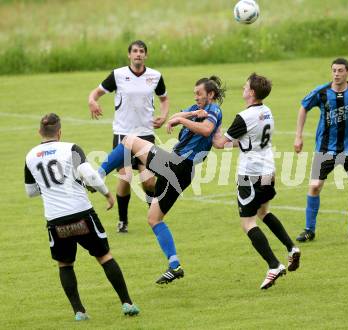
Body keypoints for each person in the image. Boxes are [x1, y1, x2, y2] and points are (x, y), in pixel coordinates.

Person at [98, 76, 225, 284]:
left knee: (129, 140)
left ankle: (99, 174)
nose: (196, 97)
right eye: (195, 93)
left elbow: (206, 130)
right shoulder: (198, 108)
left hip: (179, 163)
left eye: (199, 94)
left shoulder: (214, 110)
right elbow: (177, 117)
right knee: (153, 219)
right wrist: (190, 113)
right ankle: (175, 266)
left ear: (210, 95)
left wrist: (183, 120)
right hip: (182, 171)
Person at [24, 113, 139, 321]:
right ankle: (127, 303)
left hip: (56, 220)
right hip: (81, 214)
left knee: (65, 264)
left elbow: (31, 191)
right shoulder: (71, 148)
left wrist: (50, 188)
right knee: (104, 256)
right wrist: (107, 194)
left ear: (39, 132)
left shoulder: (30, 156)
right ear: (60, 132)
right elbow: (91, 175)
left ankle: (79, 311)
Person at [212, 73, 301, 289]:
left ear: (251, 92)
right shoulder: (267, 111)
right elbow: (246, 142)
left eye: (245, 87)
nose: (242, 88)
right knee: (263, 213)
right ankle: (291, 248)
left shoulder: (244, 117)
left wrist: (212, 120)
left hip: (249, 174)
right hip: (269, 170)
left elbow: (220, 143)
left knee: (248, 223)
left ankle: (273, 265)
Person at [88, 40, 169, 233]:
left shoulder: (155, 76)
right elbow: (96, 93)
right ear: (129, 55)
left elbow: (164, 99)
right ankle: (122, 220)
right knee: (125, 178)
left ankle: (154, 216)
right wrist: (92, 101)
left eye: (142, 51)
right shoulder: (118, 75)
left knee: (149, 181)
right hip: (123, 134)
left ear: (146, 55)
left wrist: (164, 116)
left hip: (146, 135)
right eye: (135, 51)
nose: (138, 54)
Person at [293, 57, 348, 242]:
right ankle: (309, 230)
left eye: (340, 71)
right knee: (314, 186)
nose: (336, 74)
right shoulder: (321, 92)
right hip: (325, 149)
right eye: (334, 70)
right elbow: (303, 108)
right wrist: (298, 136)